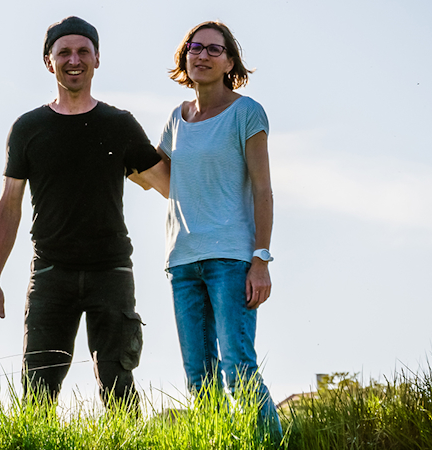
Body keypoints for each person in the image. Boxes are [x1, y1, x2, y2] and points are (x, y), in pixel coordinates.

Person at [0, 16, 170, 408]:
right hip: (51, 273)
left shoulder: (119, 125)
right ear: (48, 61)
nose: (74, 60)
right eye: (63, 52)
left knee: (118, 384)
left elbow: (170, 185)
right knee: (37, 392)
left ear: (97, 59)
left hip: (111, 271)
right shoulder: (28, 128)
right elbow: (9, 205)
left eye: (83, 51)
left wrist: (191, 136)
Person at [159, 21, 283, 441]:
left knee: (237, 369)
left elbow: (263, 190)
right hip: (182, 261)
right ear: (185, 57)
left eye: (215, 49)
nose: (203, 55)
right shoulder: (176, 119)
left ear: (230, 62)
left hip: (231, 260)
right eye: (195, 48)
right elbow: (161, 177)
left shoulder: (247, 113)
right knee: (199, 377)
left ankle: (270, 445)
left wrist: (261, 259)